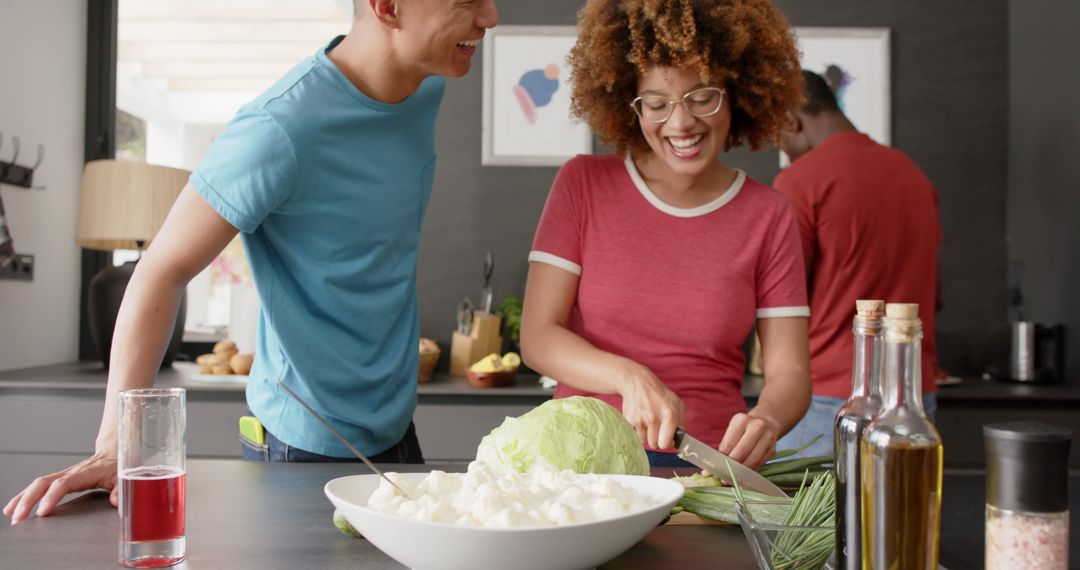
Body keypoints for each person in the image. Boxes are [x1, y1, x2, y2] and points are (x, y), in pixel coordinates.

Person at [4, 0, 498, 524]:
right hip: (302, 448)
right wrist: (113, 444)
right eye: (468, 0)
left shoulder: (428, 84)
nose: (491, 17)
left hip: (398, 434)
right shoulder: (279, 128)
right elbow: (160, 268)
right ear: (387, 7)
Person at [520, 0, 811, 470]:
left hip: (705, 471)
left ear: (737, 93)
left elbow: (790, 371)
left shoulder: (769, 214)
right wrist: (628, 376)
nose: (680, 124)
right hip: (582, 467)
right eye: (656, 104)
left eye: (702, 98)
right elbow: (537, 337)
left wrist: (769, 421)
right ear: (629, 105)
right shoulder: (583, 184)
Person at [774, 70, 942, 458]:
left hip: (830, 400)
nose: (782, 148)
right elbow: (939, 293)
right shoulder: (912, 173)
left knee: (811, 520)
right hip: (915, 398)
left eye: (777, 136)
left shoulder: (799, 181)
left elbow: (786, 299)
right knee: (898, 517)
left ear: (790, 121)